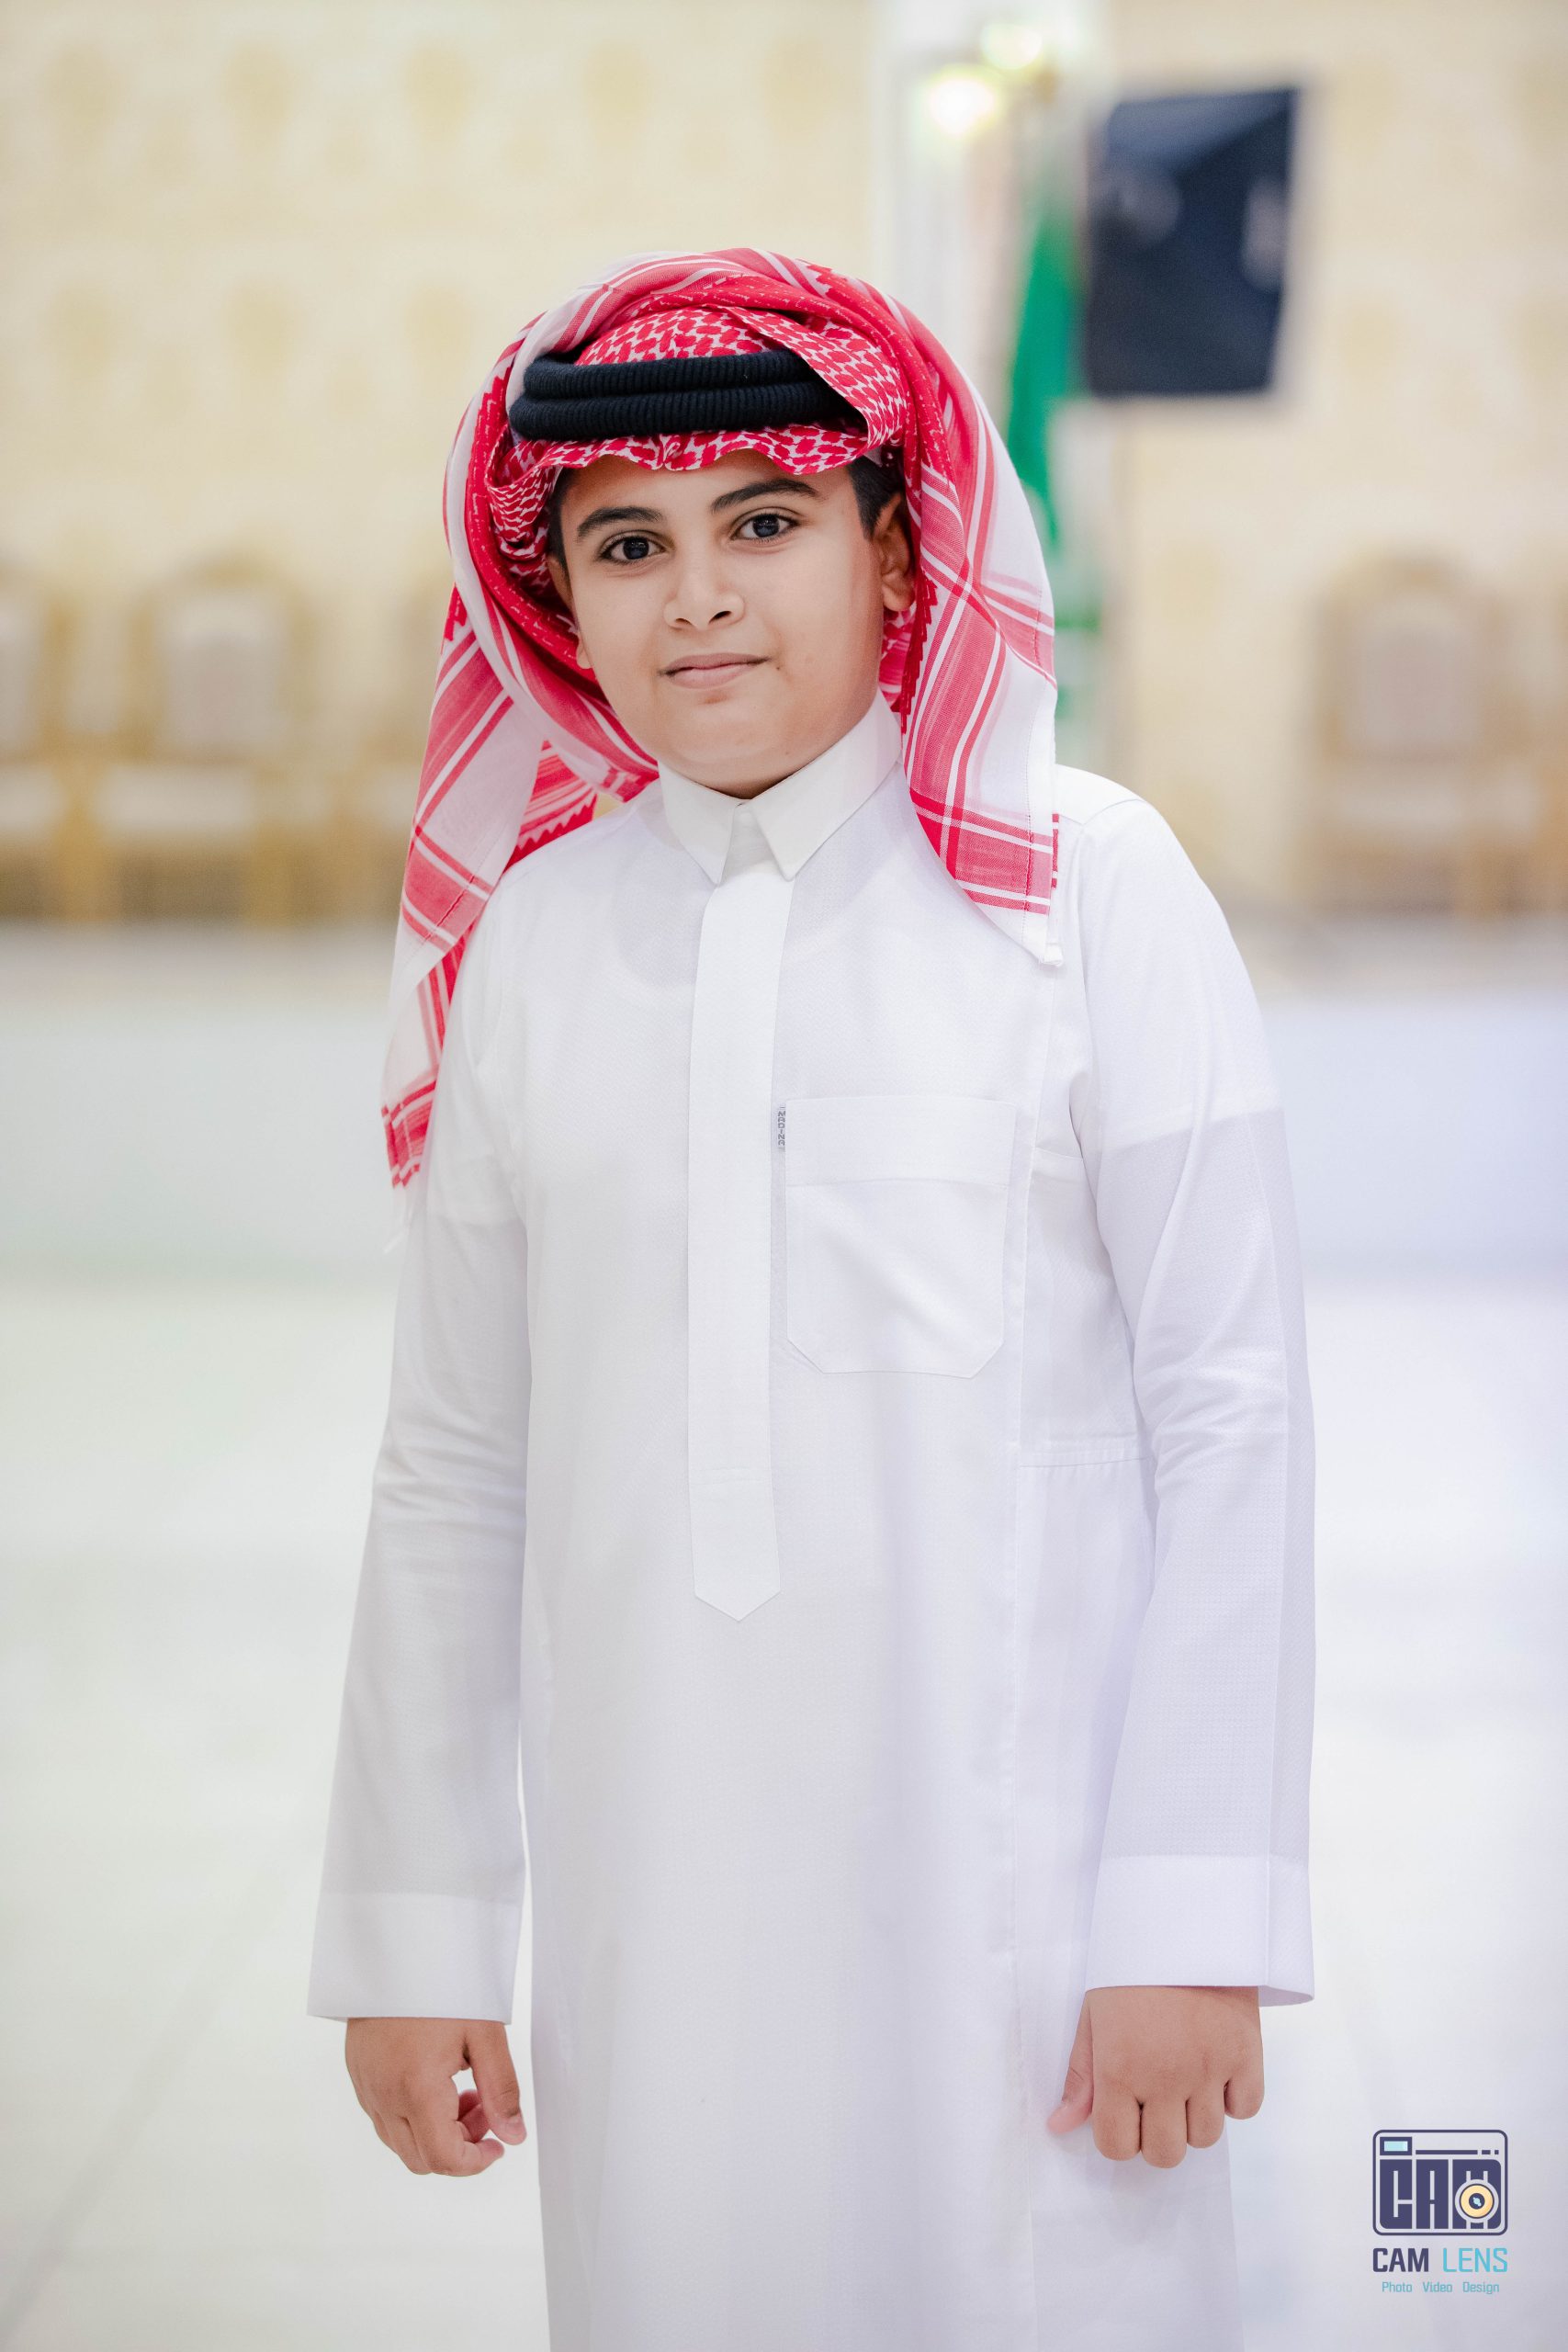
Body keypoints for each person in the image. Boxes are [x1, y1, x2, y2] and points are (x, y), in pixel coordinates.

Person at [306, 247, 1316, 2351]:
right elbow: (454, 1464)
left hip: (1027, 1924)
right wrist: (415, 1931)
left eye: (760, 523)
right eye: (627, 545)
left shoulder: (1088, 888)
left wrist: (1188, 1908)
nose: (697, 597)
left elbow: (1229, 1415)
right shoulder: (537, 944)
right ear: (558, 596)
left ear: (892, 546)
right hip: (652, 1915)